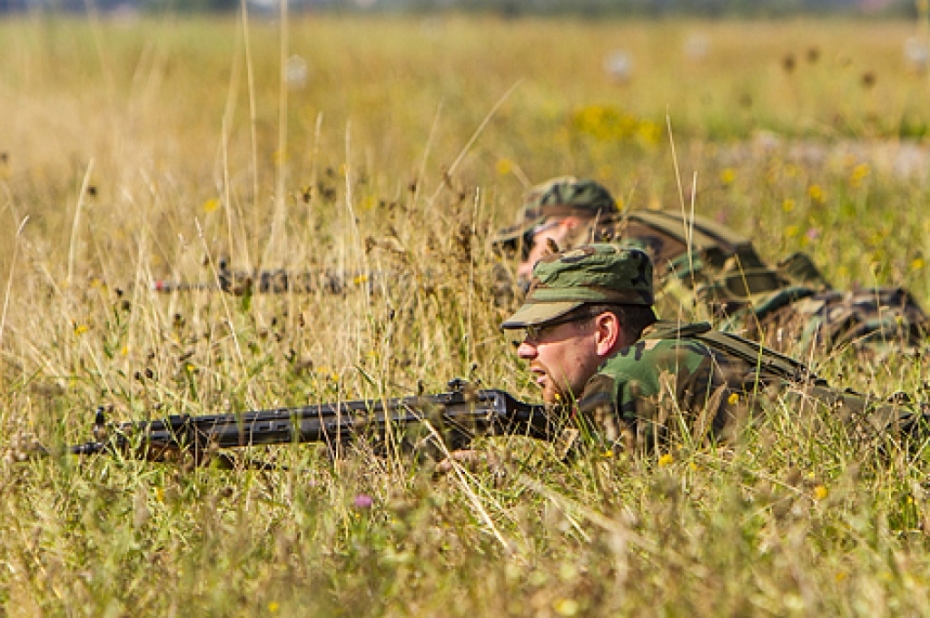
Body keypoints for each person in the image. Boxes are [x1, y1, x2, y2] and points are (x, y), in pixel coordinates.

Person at [499, 243, 921, 453]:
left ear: (605, 331)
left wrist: (500, 461)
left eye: (540, 331)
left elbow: (581, 476)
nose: (525, 350)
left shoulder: (640, 370)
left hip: (897, 450)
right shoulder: (672, 344)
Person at [494, 176, 928, 356]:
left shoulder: (605, 249)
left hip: (795, 330)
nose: (524, 261)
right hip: (838, 303)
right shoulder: (658, 221)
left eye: (525, 245)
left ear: (566, 225)